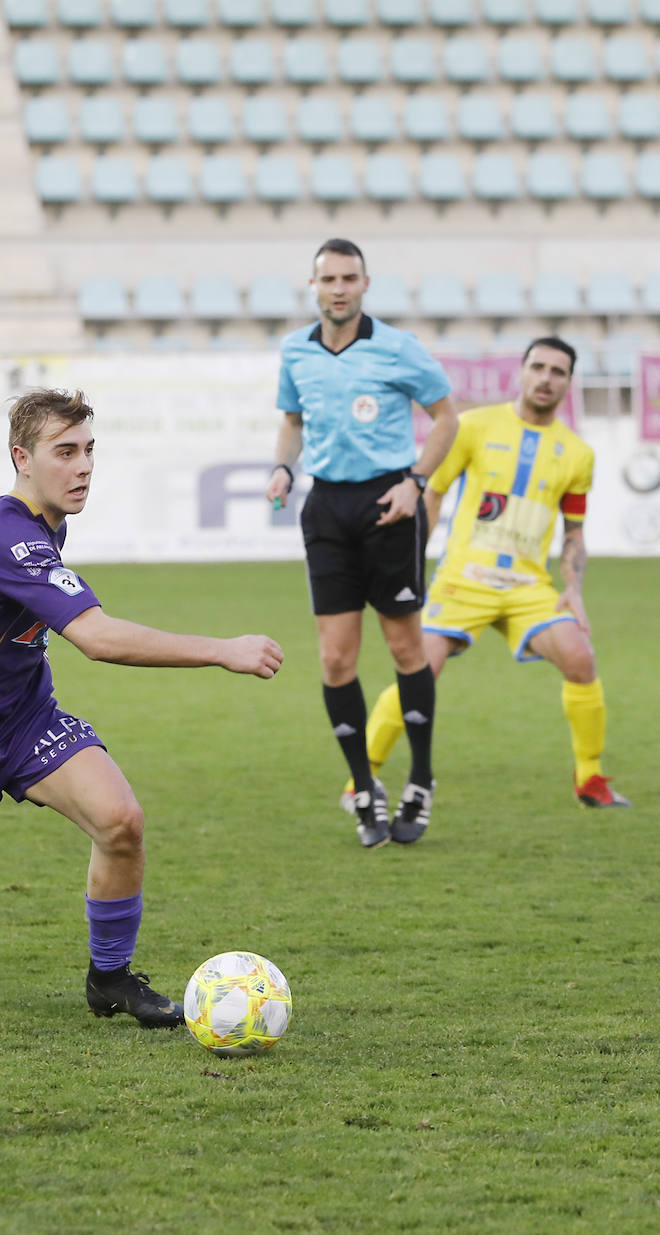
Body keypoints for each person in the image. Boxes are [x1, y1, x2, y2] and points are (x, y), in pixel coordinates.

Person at [0, 387, 284, 1027]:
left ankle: (111, 979)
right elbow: (96, 639)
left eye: (89, 450)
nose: (84, 467)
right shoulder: (6, 532)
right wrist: (222, 649)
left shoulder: (31, 522)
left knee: (121, 820)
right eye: (65, 452)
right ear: (22, 456)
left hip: (23, 717)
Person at [345, 337, 631, 813]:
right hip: (464, 579)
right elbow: (430, 497)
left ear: (568, 382)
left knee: (581, 658)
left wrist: (574, 589)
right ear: (520, 372)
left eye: (557, 371)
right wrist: (411, 570)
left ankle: (591, 779)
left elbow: (575, 532)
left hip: (529, 588)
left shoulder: (578, 454)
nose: (545, 378)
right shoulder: (474, 427)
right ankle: (361, 778)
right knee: (420, 672)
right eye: (537, 367)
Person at [265, 238, 458, 849]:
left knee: (406, 648)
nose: (339, 288)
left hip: (389, 505)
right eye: (329, 279)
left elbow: (447, 417)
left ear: (366, 284)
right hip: (326, 509)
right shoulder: (296, 349)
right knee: (335, 660)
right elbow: (293, 422)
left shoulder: (399, 348)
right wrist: (283, 468)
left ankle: (421, 779)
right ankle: (364, 788)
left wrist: (417, 482)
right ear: (315, 286)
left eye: (350, 277)